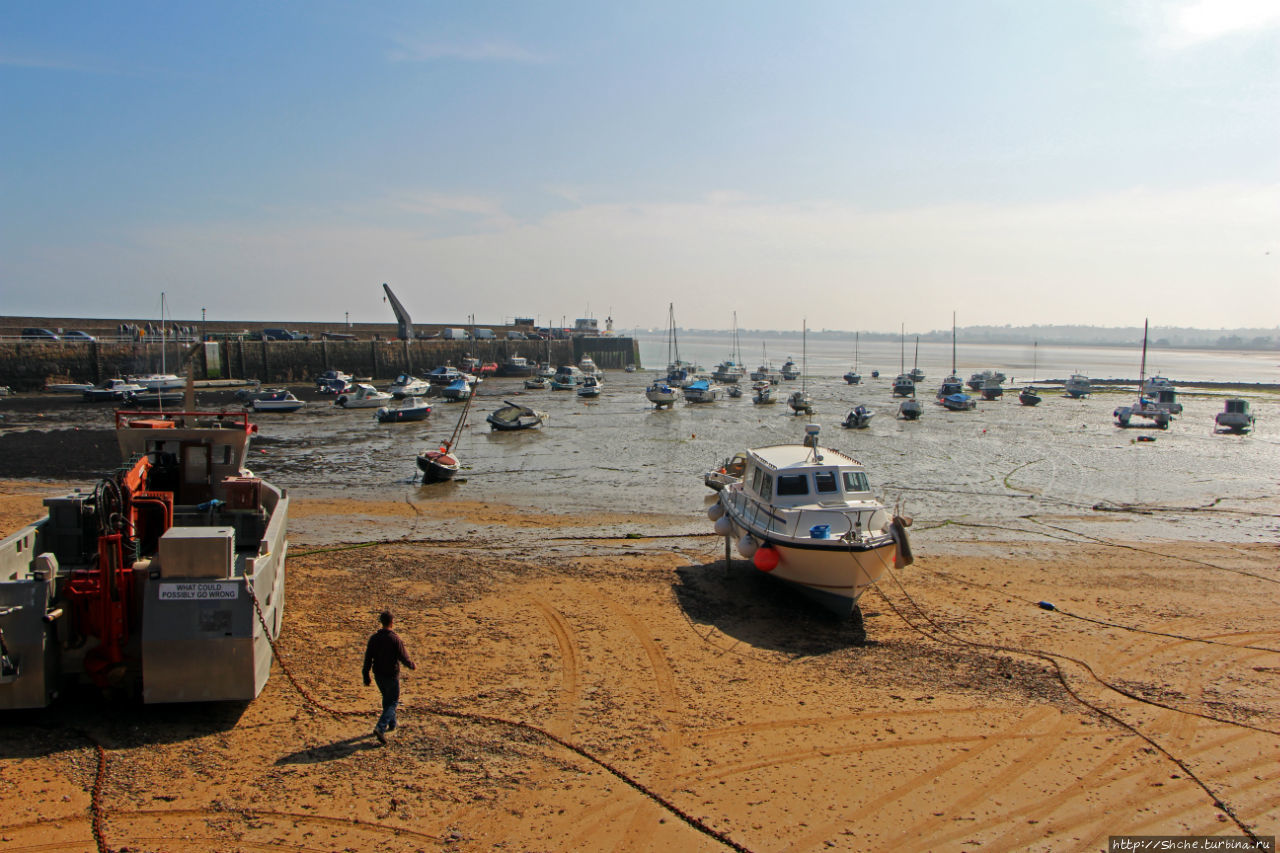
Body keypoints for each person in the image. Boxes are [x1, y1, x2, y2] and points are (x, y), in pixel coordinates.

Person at [362, 610, 415, 744]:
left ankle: (392, 724)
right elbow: (403, 656)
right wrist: (411, 665)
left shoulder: (374, 638)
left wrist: (365, 675)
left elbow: (368, 658)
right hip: (391, 675)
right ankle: (381, 727)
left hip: (378, 675)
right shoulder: (394, 638)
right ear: (392, 622)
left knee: (387, 699)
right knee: (392, 702)